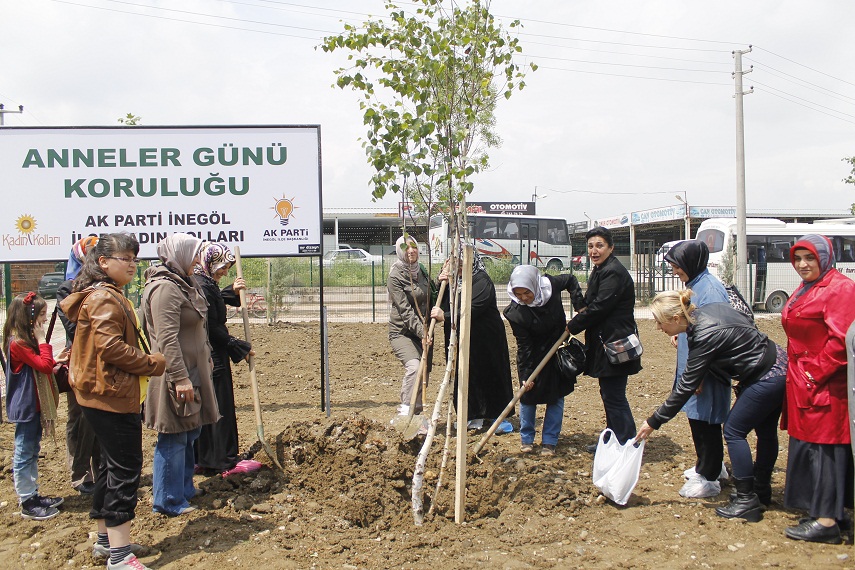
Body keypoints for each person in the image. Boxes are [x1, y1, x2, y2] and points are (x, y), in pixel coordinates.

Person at [61, 233, 167, 570]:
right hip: (112, 396)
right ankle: (120, 558)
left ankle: (107, 542)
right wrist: (152, 362)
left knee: (107, 468)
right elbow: (111, 348)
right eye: (127, 259)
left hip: (98, 394)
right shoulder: (105, 298)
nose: (133, 265)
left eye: (135, 259)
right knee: (124, 469)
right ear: (103, 262)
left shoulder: (101, 295)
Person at [636, 290, 787, 523]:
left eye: (659, 322)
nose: (658, 328)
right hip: (778, 363)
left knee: (734, 430)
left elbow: (685, 386)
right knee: (765, 432)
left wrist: (653, 421)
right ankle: (761, 491)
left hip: (765, 376)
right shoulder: (707, 311)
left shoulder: (703, 334)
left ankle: (747, 499)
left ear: (676, 319)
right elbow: (745, 320)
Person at [780, 234, 855, 544]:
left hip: (825, 383)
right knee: (811, 446)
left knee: (826, 449)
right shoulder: (807, 286)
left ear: (825, 257)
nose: (802, 264)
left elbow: (841, 341)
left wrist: (813, 373)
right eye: (797, 259)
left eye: (809, 257)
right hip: (802, 379)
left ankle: (826, 520)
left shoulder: (840, 288)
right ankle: (830, 511)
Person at [141, 233, 219, 517]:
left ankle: (184, 489)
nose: (199, 261)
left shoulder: (185, 284)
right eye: (196, 254)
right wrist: (180, 377)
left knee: (190, 431)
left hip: (193, 370)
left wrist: (206, 355)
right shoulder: (165, 289)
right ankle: (167, 499)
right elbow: (167, 339)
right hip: (176, 375)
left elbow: (199, 326)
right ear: (181, 254)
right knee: (173, 435)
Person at [663, 240, 731, 499]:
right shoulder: (697, 285)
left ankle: (710, 477)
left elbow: (715, 334)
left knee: (707, 420)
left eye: (677, 266)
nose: (675, 271)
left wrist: (699, 375)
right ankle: (709, 465)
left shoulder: (709, 289)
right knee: (698, 419)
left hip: (706, 371)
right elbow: (696, 324)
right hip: (697, 365)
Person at [566, 226, 640, 448]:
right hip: (604, 343)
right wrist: (572, 288)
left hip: (616, 344)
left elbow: (598, 308)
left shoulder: (613, 272)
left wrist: (572, 326)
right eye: (590, 246)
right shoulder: (600, 270)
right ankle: (613, 440)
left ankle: (627, 442)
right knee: (608, 394)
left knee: (614, 395)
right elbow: (588, 304)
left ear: (611, 247)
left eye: (599, 245)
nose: (594, 251)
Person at [504, 264, 583, 456]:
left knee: (555, 396)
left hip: (558, 349)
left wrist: (580, 306)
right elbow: (524, 346)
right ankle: (527, 439)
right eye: (518, 293)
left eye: (527, 293)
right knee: (528, 396)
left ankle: (550, 441)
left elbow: (571, 280)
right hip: (535, 353)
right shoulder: (516, 313)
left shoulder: (551, 285)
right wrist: (525, 374)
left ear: (535, 286)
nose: (523, 298)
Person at [192, 242, 256, 476]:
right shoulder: (201, 285)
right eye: (221, 266)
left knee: (213, 405)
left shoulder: (204, 282)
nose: (224, 271)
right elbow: (209, 323)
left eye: (228, 267)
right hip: (212, 355)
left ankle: (208, 457)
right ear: (209, 262)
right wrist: (235, 345)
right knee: (219, 405)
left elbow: (215, 299)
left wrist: (231, 290)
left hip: (211, 352)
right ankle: (223, 460)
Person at [439, 247, 514, 433]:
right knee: (465, 376)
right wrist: (441, 282)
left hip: (486, 339)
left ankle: (498, 416)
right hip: (461, 338)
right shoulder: (451, 281)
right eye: (456, 259)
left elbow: (472, 308)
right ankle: (471, 415)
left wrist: (446, 316)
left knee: (490, 374)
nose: (460, 263)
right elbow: (439, 303)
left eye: (463, 259)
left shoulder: (481, 280)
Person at [3, 292, 63, 521]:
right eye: (41, 316)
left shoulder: (23, 340)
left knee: (32, 450)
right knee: (24, 452)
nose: (45, 320)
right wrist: (43, 342)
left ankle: (33, 494)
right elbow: (44, 366)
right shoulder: (19, 342)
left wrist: (54, 358)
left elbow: (43, 365)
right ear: (29, 319)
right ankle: (27, 500)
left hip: (33, 406)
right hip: (26, 406)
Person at [56, 235, 102, 495]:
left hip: (104, 359)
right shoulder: (68, 289)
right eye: (92, 253)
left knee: (101, 416)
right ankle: (80, 473)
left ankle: (101, 468)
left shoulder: (105, 286)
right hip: (82, 360)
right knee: (80, 416)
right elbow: (74, 327)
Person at [387, 234, 441, 420]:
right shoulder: (396, 275)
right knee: (415, 367)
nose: (411, 251)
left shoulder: (422, 271)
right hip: (402, 332)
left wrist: (441, 281)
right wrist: (422, 332)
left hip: (424, 331)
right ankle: (404, 411)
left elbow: (431, 293)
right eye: (405, 248)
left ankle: (416, 416)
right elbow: (405, 310)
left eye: (413, 246)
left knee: (424, 372)